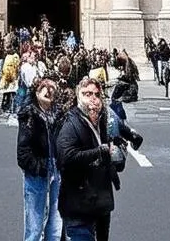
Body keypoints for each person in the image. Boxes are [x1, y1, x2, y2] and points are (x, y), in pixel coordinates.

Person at [56, 78, 117, 241]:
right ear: (78, 97)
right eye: (87, 94)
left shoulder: (101, 121)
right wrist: (98, 152)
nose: (93, 98)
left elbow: (105, 155)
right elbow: (66, 158)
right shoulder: (71, 123)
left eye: (97, 94)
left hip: (100, 203)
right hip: (79, 203)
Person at [18, 77, 63, 241]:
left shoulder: (59, 114)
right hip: (38, 173)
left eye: (52, 87)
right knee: (35, 227)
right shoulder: (29, 115)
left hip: (57, 171)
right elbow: (22, 154)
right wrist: (40, 167)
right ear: (36, 92)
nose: (49, 90)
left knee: (56, 227)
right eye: (44, 86)